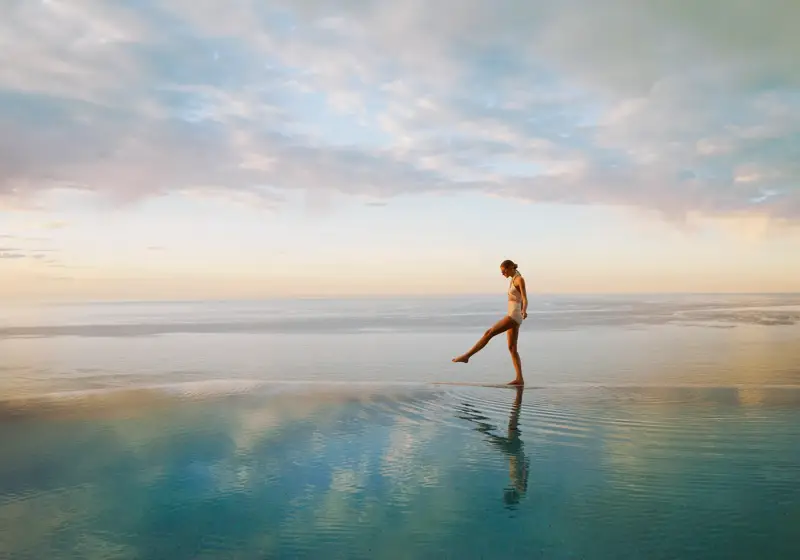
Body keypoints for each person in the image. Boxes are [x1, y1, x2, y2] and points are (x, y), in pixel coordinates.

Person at [452, 259, 528, 385]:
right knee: (512, 348)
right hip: (513, 314)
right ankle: (519, 379)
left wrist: (524, 310)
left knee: (489, 333)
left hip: (514, 315)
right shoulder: (513, 278)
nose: (502, 274)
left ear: (510, 268)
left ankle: (467, 356)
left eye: (503, 271)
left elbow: (525, 298)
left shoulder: (519, 279)